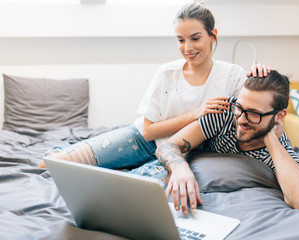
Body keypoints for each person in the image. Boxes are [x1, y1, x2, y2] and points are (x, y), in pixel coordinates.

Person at [38, 2, 270, 183]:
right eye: (181, 40)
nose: (187, 48)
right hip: (141, 140)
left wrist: (261, 76)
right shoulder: (167, 73)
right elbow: (148, 130)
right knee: (50, 164)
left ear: (212, 35)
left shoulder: (233, 75)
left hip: (182, 151)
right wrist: (196, 113)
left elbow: (257, 108)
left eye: (195, 38)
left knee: (131, 191)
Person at [155, 70, 299, 215]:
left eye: (254, 114)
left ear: (279, 116)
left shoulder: (278, 150)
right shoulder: (225, 113)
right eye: (240, 108)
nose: (241, 120)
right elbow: (167, 145)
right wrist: (180, 169)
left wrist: (271, 139)